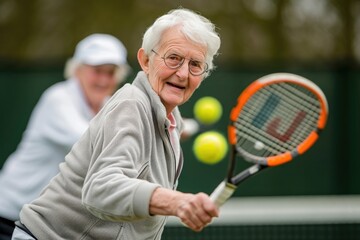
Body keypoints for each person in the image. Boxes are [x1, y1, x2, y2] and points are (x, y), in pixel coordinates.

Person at [13, 8, 221, 240]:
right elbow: (102, 188)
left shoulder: (172, 122)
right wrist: (177, 201)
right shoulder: (130, 104)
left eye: (195, 64)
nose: (183, 73)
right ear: (145, 60)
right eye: (173, 58)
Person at [0, 33, 130, 239]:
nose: (104, 79)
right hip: (8, 216)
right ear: (77, 70)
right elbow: (91, 142)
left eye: (111, 72)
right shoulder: (57, 99)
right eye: (97, 71)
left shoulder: (109, 107)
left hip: (43, 223)